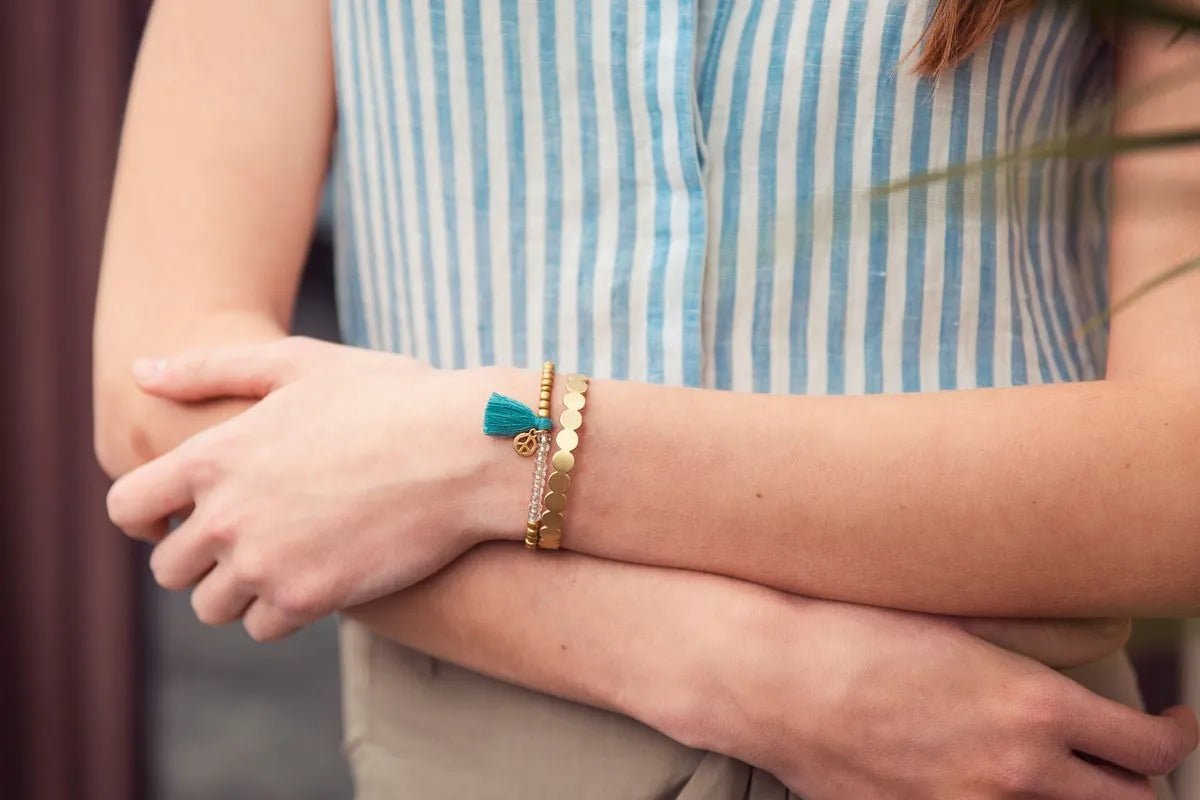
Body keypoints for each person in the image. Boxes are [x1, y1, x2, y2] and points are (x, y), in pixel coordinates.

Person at [95, 0, 1200, 797]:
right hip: (486, 746)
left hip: (981, 747)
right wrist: (749, 671)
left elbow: (1183, 469)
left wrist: (489, 447)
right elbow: (160, 393)